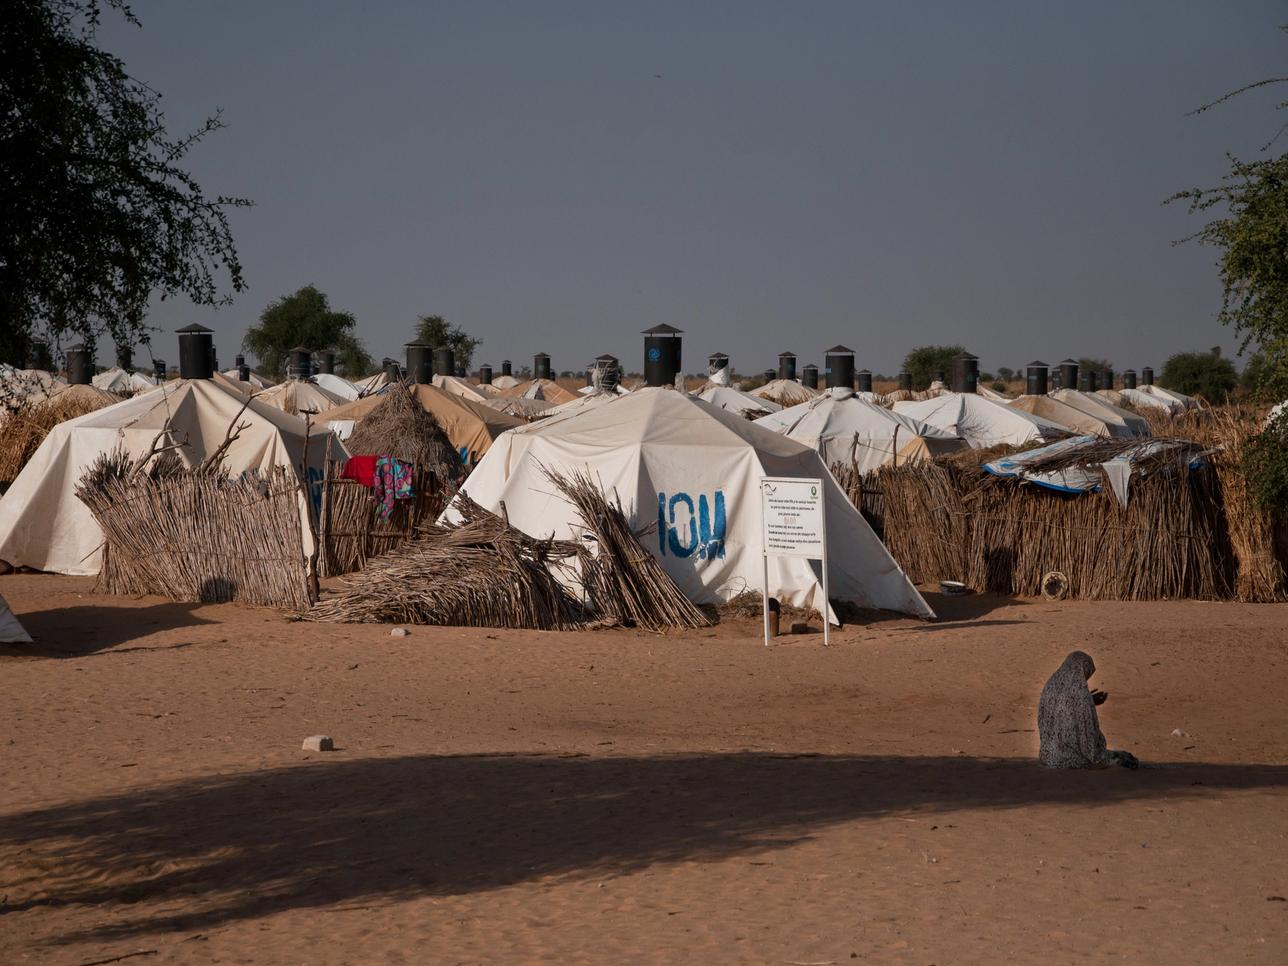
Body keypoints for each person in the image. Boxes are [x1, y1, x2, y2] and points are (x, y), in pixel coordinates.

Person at [1037, 651, 1139, 769]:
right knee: (1119, 757)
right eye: (1086, 675)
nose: (1085, 679)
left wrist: (1089, 701)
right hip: (1066, 758)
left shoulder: (1051, 684)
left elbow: (1064, 707)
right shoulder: (1079, 692)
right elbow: (1087, 737)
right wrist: (1087, 702)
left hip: (1047, 755)